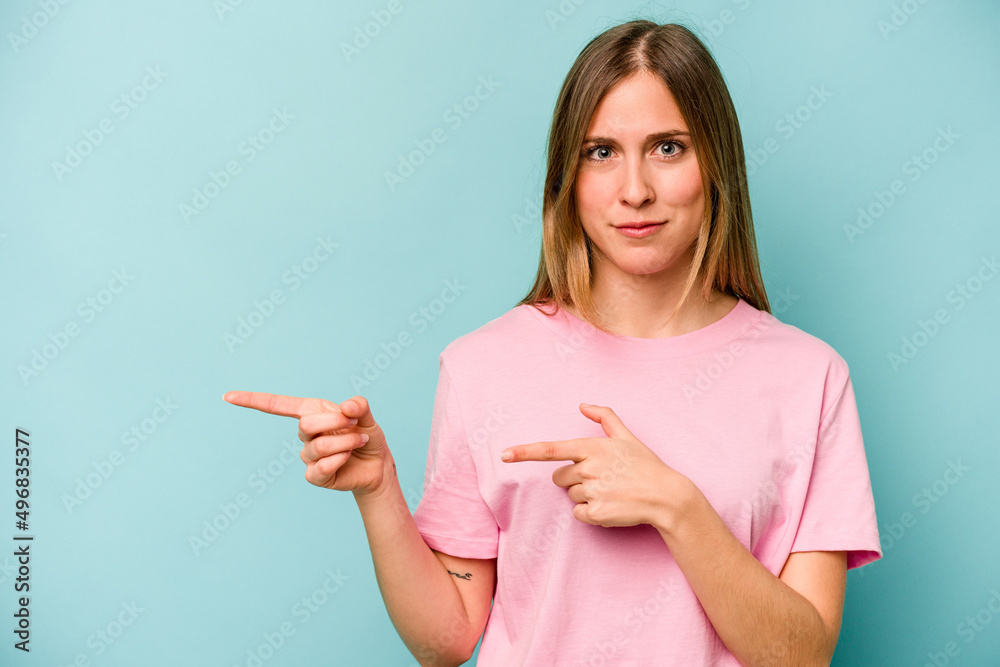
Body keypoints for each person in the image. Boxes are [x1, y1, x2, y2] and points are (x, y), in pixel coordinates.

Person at [224, 19, 882, 667]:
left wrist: (676, 505)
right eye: (601, 152)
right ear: (567, 177)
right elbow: (446, 639)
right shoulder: (483, 365)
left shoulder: (809, 378)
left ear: (716, 164)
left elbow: (800, 656)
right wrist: (377, 489)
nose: (635, 190)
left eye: (668, 147)